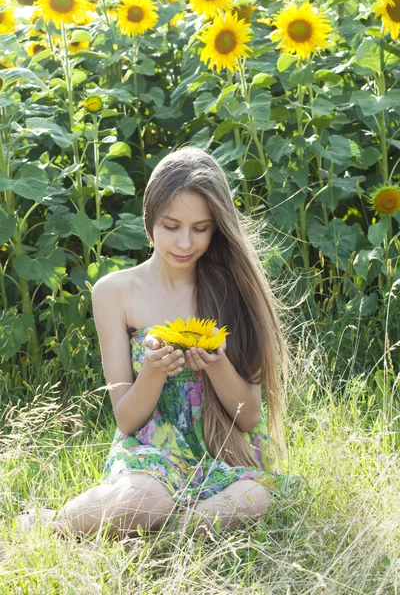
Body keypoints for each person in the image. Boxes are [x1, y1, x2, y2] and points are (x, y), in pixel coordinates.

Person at [51, 145, 301, 543]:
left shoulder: (234, 291)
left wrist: (216, 364)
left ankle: (165, 540)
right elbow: (126, 420)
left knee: (253, 499)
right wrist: (152, 371)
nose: (185, 242)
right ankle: (51, 523)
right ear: (149, 220)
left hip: (222, 452)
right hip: (150, 454)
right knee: (146, 499)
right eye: (171, 226)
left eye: (200, 228)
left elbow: (249, 417)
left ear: (217, 227)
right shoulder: (114, 292)